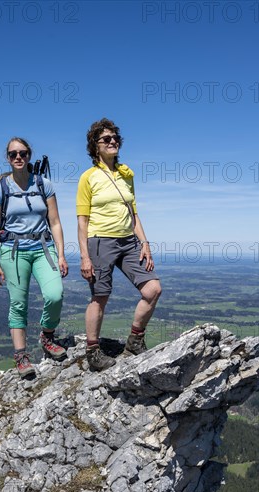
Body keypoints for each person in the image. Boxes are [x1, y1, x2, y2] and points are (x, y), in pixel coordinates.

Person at [76, 118, 162, 371]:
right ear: (95, 146)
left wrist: (144, 243)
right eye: (106, 139)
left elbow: (133, 213)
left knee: (153, 289)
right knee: (100, 296)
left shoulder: (126, 174)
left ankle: (135, 340)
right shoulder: (88, 178)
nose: (112, 141)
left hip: (129, 241)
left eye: (115, 138)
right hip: (100, 240)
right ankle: (92, 351)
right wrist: (84, 256)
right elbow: (82, 221)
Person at [0, 137, 68, 379]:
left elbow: (55, 222)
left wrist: (61, 254)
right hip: (12, 250)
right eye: (13, 154)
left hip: (43, 247)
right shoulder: (0, 189)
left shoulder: (44, 184)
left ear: (29, 155)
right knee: (18, 303)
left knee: (55, 294)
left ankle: (46, 335)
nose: (18, 157)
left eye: (22, 153)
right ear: (8, 158)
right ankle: (21, 356)